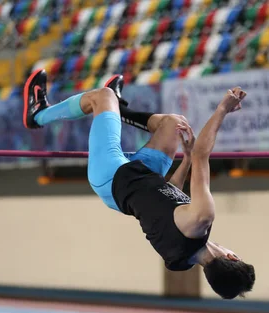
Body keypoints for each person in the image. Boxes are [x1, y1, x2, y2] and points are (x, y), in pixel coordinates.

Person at [22, 70, 255, 299]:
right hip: (143, 175)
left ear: (232, 257)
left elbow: (202, 154)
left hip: (112, 176)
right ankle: (120, 109)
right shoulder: (181, 259)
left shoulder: (202, 218)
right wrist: (185, 158)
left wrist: (223, 109)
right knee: (174, 124)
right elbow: (166, 194)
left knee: (102, 97)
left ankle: (38, 114)